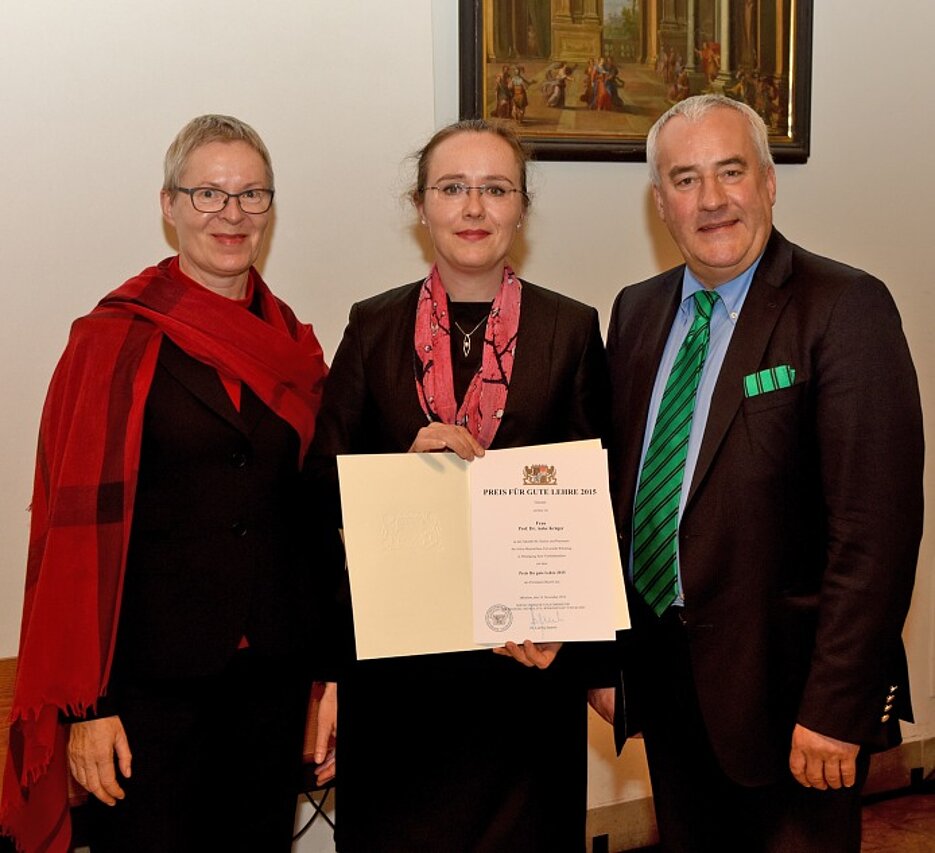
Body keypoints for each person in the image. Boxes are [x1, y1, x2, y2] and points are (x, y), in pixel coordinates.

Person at [0, 115, 336, 853]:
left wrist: (324, 678)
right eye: (209, 193)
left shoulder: (294, 347)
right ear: (168, 205)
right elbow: (71, 542)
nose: (232, 213)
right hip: (147, 693)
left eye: (252, 195)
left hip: (272, 682)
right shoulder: (108, 343)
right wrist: (88, 705)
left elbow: (314, 519)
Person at [598, 94, 923, 851]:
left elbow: (874, 534)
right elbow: (620, 494)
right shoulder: (637, 311)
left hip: (792, 706)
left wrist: (836, 709)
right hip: (670, 684)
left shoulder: (844, 306)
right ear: (659, 203)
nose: (710, 200)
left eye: (730, 171)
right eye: (684, 179)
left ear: (768, 183)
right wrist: (609, 658)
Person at [309, 118, 611, 852]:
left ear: (520, 207)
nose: (473, 208)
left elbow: (601, 502)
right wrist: (403, 471)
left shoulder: (571, 329)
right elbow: (318, 490)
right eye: (452, 188)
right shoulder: (371, 325)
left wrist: (581, 646)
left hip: (526, 672)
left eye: (495, 189)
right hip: (400, 676)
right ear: (421, 206)